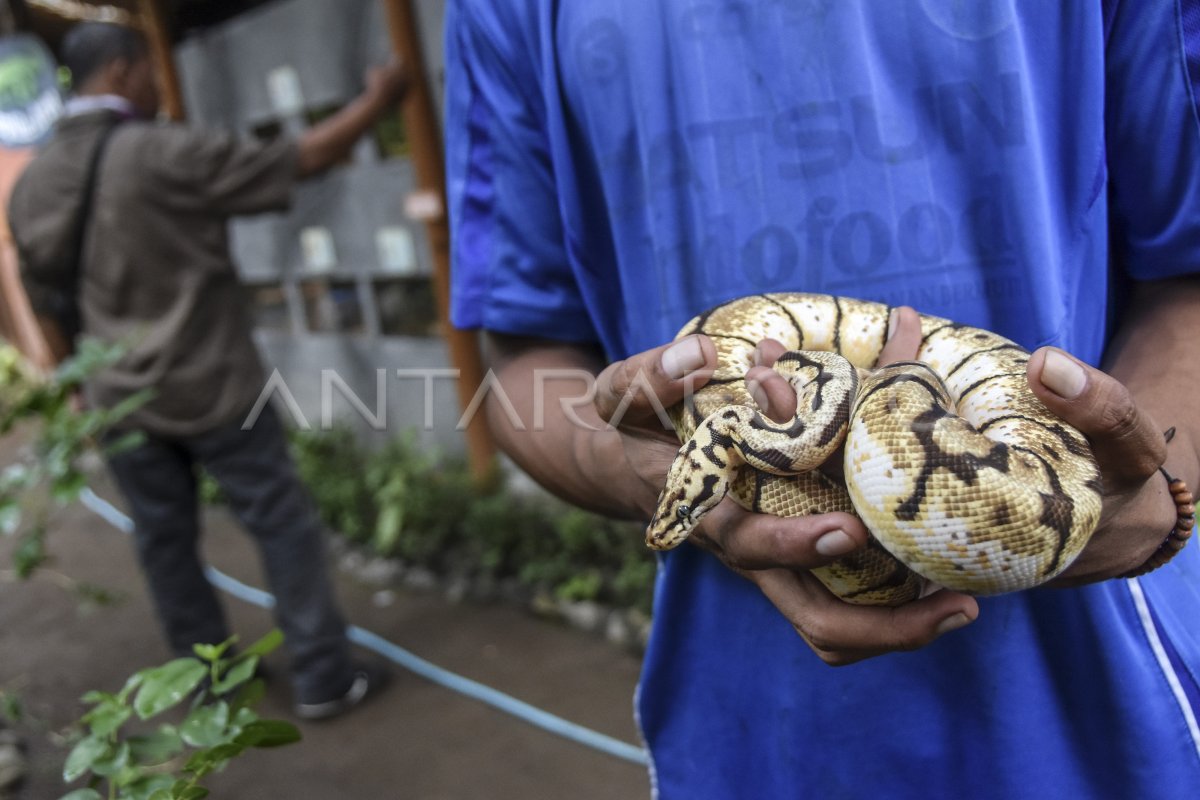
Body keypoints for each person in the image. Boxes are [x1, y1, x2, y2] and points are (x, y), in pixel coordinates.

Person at [444, 2, 1200, 797]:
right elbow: (521, 354)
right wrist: (629, 466)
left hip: (1104, 706)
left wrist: (1164, 489)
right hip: (745, 726)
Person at [7, 22, 407, 721]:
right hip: (213, 383)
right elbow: (297, 159)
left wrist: (79, 378)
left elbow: (45, 298)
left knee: (164, 544)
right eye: (152, 73)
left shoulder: (34, 183)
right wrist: (379, 101)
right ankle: (322, 674)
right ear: (126, 71)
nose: (163, 85)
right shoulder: (162, 152)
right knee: (280, 521)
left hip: (119, 399)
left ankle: (210, 687)